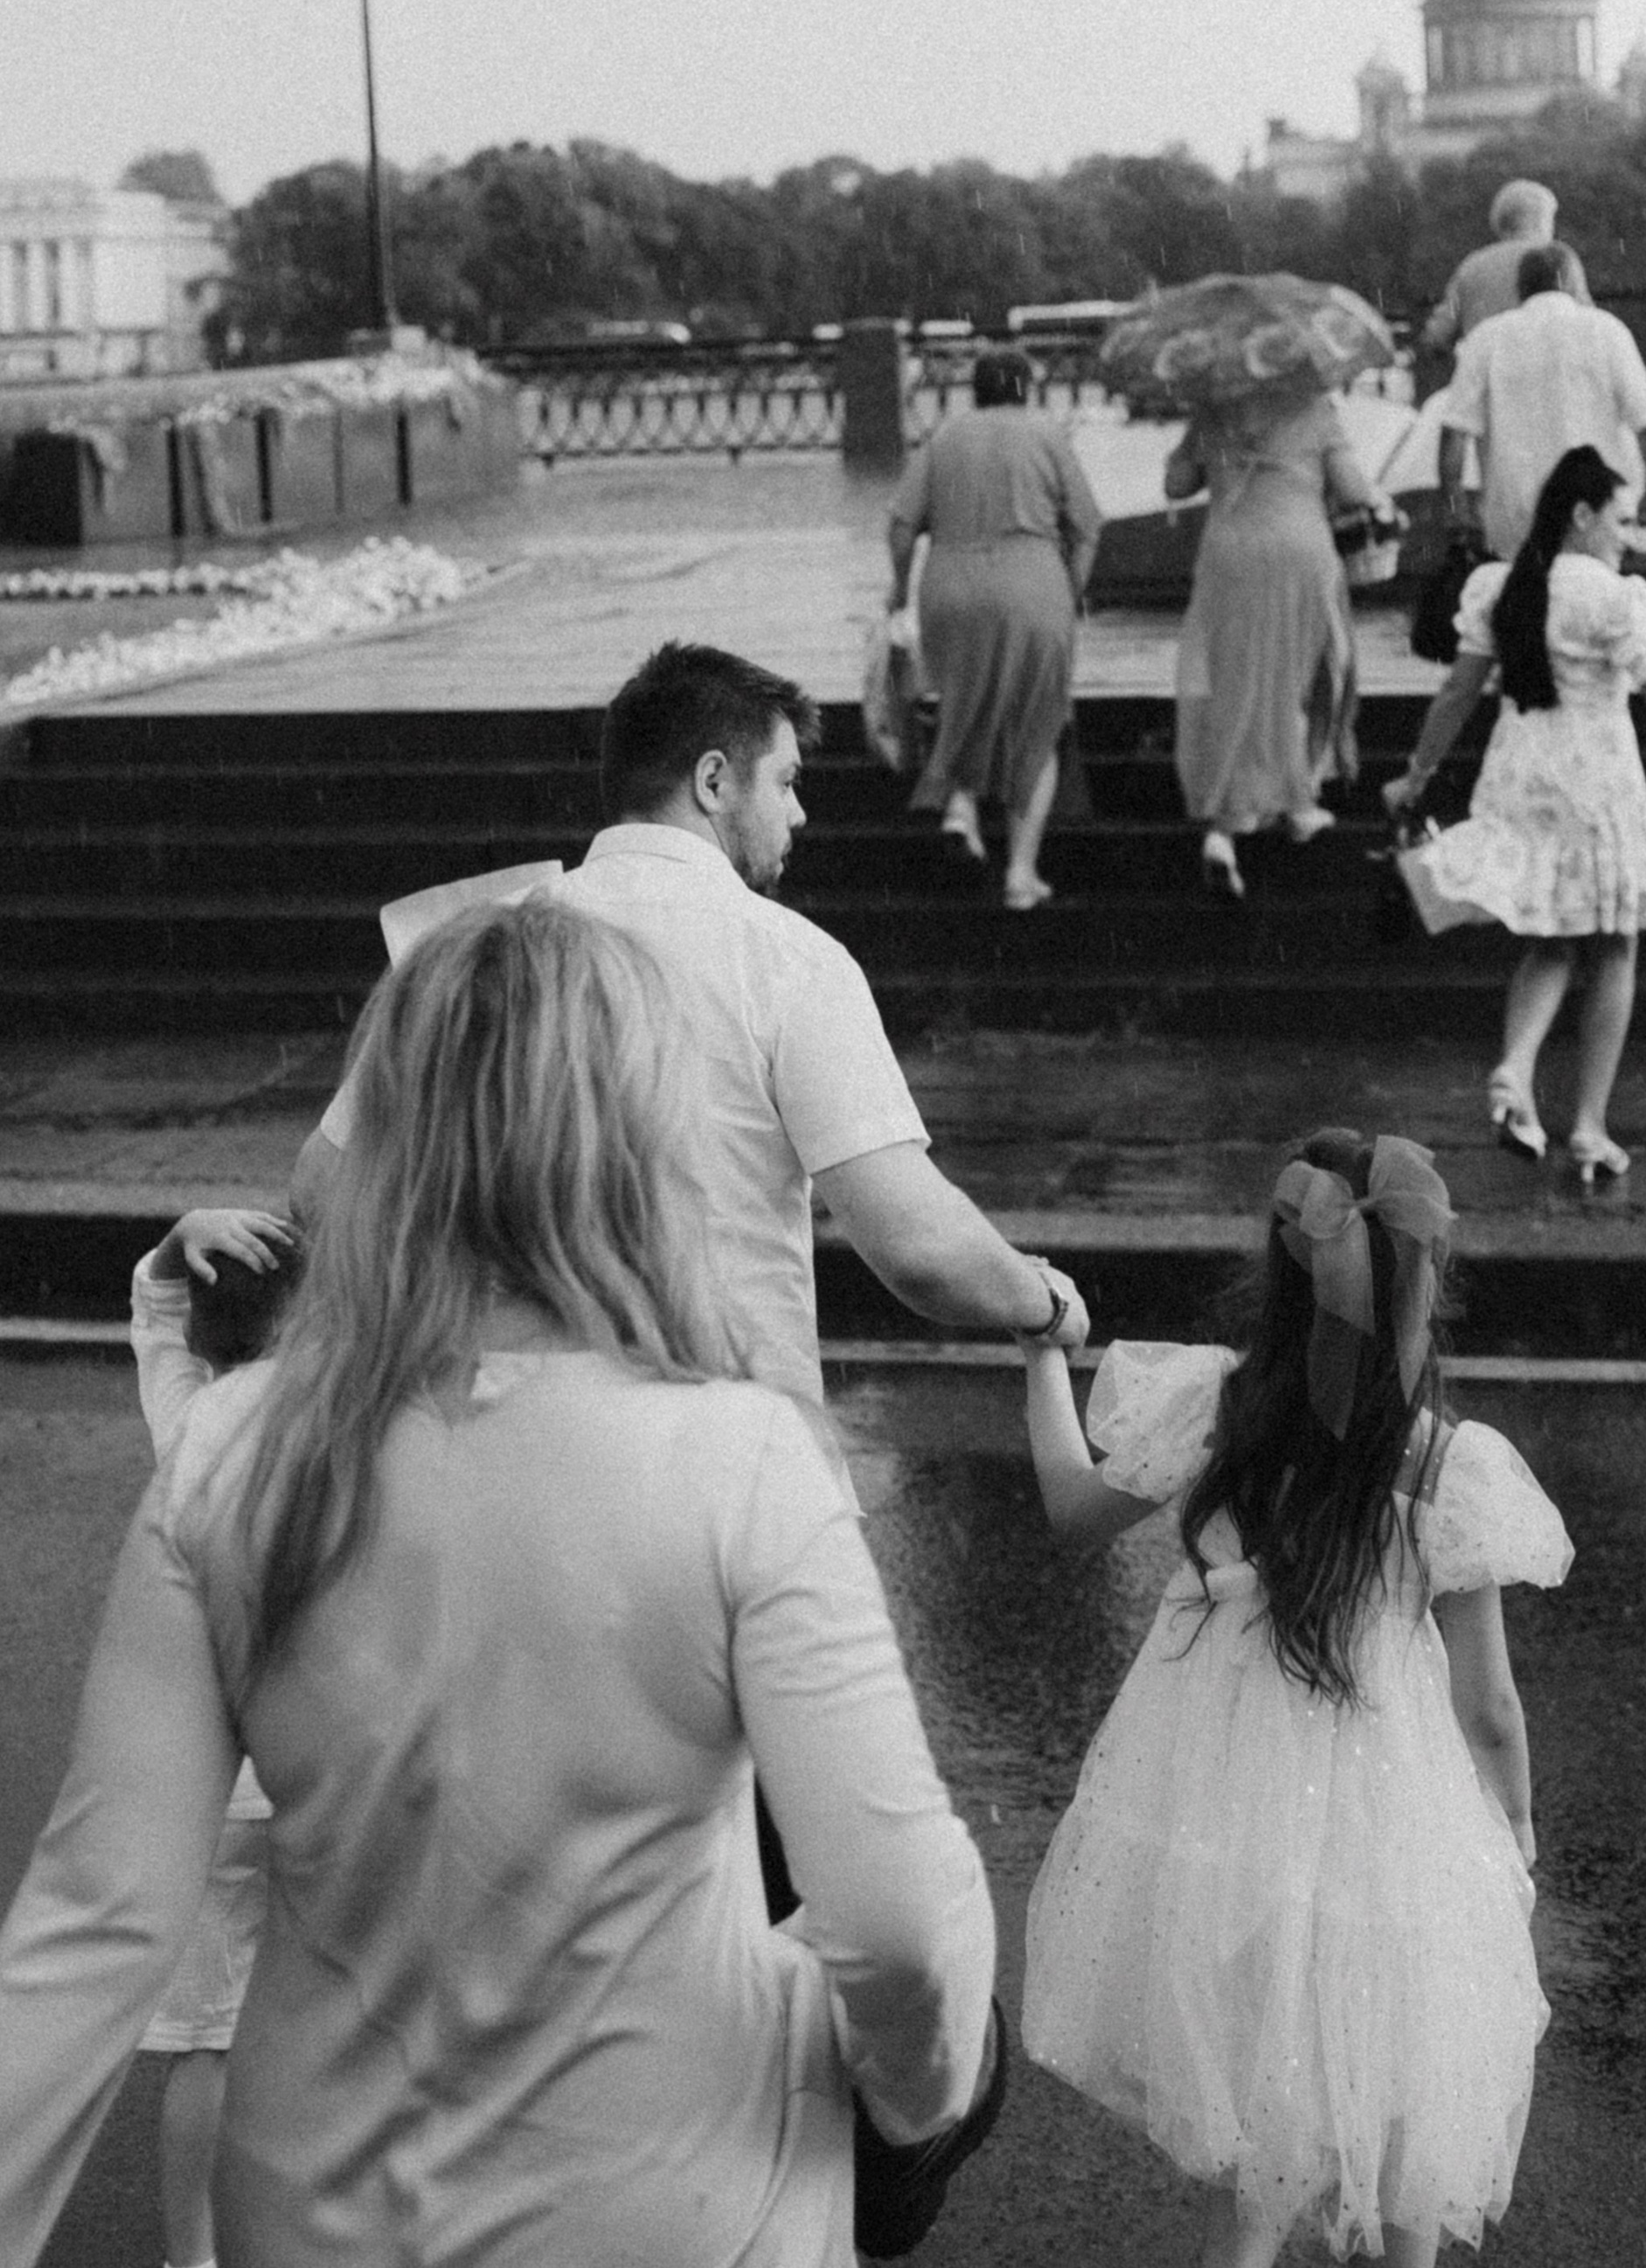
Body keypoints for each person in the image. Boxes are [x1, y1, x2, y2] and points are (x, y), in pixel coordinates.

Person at [0, 902, 997, 2266]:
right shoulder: (743, 1457)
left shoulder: (238, 1451)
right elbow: (896, 1919)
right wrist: (909, 2101)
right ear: (630, 1135)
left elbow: (98, 1921)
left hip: (324, 2199)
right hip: (678, 2196)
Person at [1015, 1127, 1572, 2268]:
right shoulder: (1441, 1465)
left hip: (1230, 1806)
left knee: (1258, 2161)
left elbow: (1073, 1507)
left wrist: (1039, 1352)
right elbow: (1492, 1708)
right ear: (1424, 1287)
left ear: (1282, 1271)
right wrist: (1511, 1828)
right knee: (1412, 2105)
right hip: (1391, 1809)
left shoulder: (1221, 1408)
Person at [294, 642, 1087, 1434]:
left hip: (510, 1446)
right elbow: (916, 1245)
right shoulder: (787, 958)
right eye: (784, 782)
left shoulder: (474, 944)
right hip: (731, 1445)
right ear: (713, 781)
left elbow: (323, 1191)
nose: (799, 812)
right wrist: (1040, 1302)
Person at [1384, 447, 1646, 1183]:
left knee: (1550, 939)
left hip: (1519, 780)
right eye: (1619, 520)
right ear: (1581, 516)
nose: (1628, 536)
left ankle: (1517, 1067)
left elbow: (1457, 693)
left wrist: (1415, 774)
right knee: (1614, 947)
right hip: (1598, 787)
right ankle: (1588, 1127)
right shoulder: (1615, 599)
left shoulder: (1505, 586)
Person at [128, 1204, 299, 2268]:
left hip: (210, 1794)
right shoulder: (353, 1431)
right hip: (329, 1778)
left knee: (210, 2044)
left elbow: (151, 1311)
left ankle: (192, 2257)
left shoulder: (188, 1425)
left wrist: (173, 1241)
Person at [887, 345, 1102, 912]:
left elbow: (903, 527)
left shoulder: (944, 438)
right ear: (1026, 390)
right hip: (1032, 585)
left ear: (975, 392)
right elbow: (1088, 528)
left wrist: (897, 588)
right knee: (1037, 725)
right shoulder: (1047, 434)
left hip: (950, 588)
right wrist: (1070, 592)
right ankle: (1021, 874)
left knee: (968, 698)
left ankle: (961, 806)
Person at [1167, 390, 1396, 901]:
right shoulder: (1312, 408)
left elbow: (1176, 484)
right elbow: (1353, 490)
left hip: (1230, 555)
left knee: (1240, 681)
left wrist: (1191, 444)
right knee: (1307, 674)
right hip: (1299, 552)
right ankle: (1296, 800)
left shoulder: (1212, 410)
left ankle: (1232, 829)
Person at [1435, 241, 1646, 559]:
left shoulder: (1485, 338)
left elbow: (1454, 435)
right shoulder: (1607, 331)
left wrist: (1456, 511)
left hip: (1514, 521)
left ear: (1520, 289)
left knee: (1527, 602)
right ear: (1576, 284)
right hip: (1594, 513)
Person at [1415, 178, 1581, 362]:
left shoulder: (1471, 266)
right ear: (1539, 220)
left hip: (1486, 380)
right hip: (1547, 378)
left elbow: (1437, 335)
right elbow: (1588, 322)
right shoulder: (1558, 260)